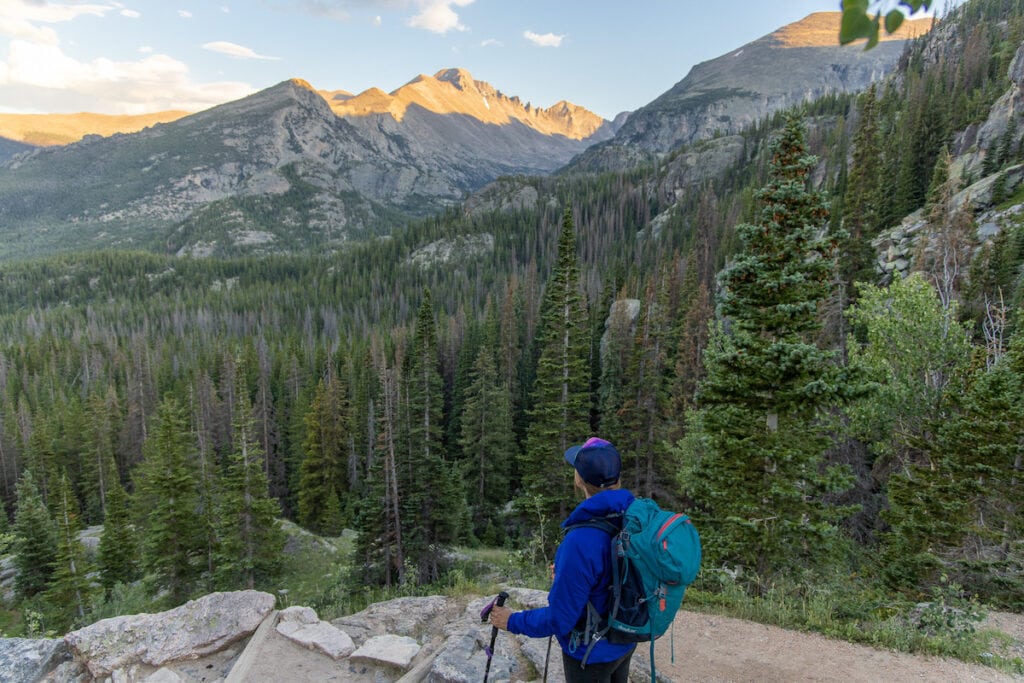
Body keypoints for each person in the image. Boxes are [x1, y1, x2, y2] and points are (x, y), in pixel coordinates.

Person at [488, 437, 636, 683]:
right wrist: (571, 580)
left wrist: (511, 620)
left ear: (579, 480)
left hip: (590, 654)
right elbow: (616, 576)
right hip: (625, 639)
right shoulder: (631, 516)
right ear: (618, 479)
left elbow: (560, 619)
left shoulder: (580, 540)